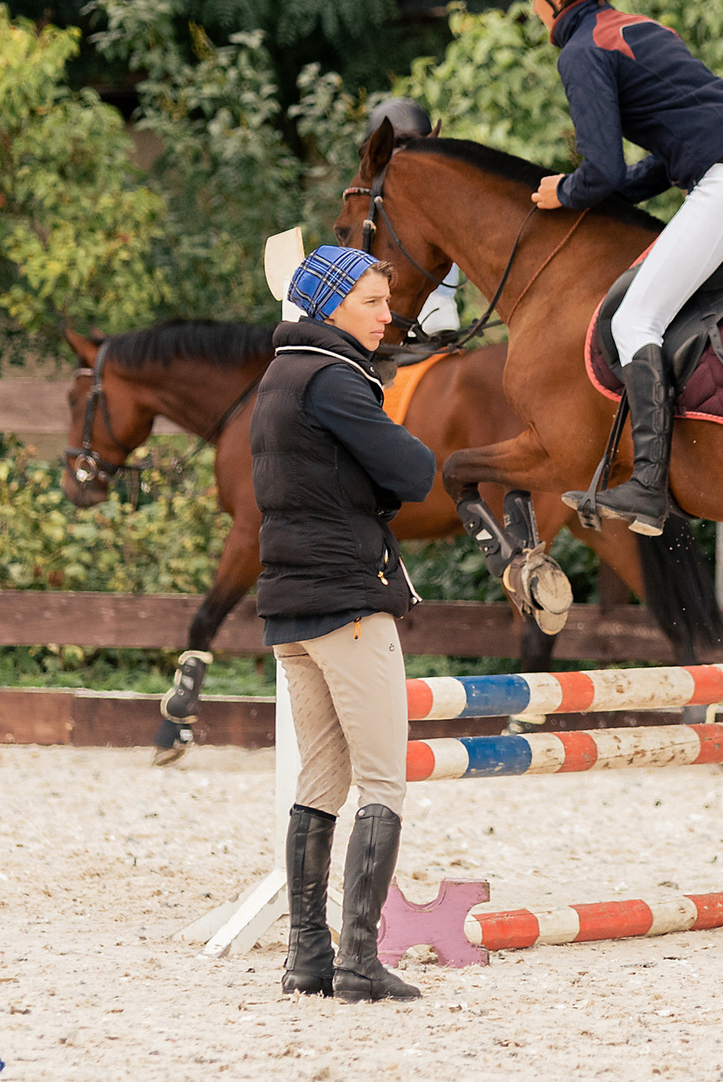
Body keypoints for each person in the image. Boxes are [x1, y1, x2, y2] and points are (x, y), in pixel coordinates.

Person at [501, 0, 723, 537]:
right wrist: (598, 190)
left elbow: (603, 169)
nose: (532, 10)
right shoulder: (641, 30)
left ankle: (647, 485)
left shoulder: (582, 51)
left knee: (634, 321)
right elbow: (661, 161)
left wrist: (563, 190)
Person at [254, 244, 434, 1004]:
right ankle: (360, 960)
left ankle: (308, 958)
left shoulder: (278, 375)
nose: (386, 314)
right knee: (384, 783)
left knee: (320, 781)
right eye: (369, 301)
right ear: (328, 305)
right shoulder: (334, 379)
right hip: (351, 606)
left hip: (291, 613)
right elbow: (416, 471)